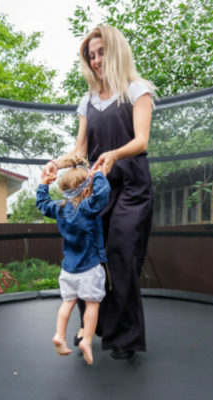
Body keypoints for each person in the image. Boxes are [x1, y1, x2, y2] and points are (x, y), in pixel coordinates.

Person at [45, 26, 155, 359]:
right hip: (96, 188)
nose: (95, 60)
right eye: (90, 55)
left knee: (121, 254)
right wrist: (57, 164)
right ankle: (95, 327)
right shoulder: (88, 100)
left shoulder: (137, 90)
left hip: (132, 184)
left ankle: (126, 338)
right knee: (91, 256)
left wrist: (113, 155)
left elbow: (141, 141)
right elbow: (81, 151)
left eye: (101, 52)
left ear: (116, 51)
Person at [36, 157, 110, 365]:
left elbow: (42, 203)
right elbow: (103, 194)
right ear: (87, 189)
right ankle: (86, 339)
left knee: (67, 303)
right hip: (90, 267)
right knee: (92, 305)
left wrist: (43, 183)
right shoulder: (88, 207)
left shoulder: (59, 208)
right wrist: (100, 175)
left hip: (68, 270)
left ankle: (59, 334)